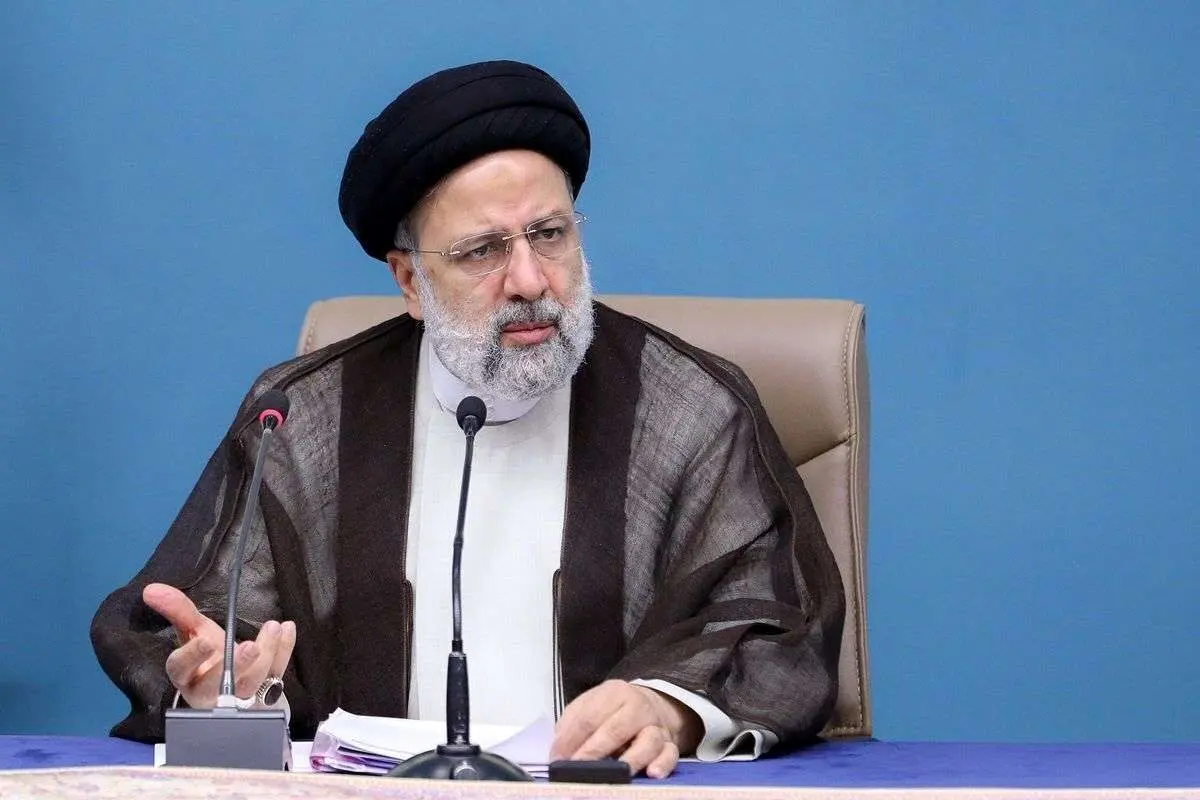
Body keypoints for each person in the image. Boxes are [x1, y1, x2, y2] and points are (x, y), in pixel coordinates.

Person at [91, 60, 845, 779]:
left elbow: (774, 623)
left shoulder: (690, 408)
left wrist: (668, 705)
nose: (530, 280)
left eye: (550, 234)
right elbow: (213, 626)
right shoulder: (302, 417)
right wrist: (233, 688)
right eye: (482, 250)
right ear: (409, 281)